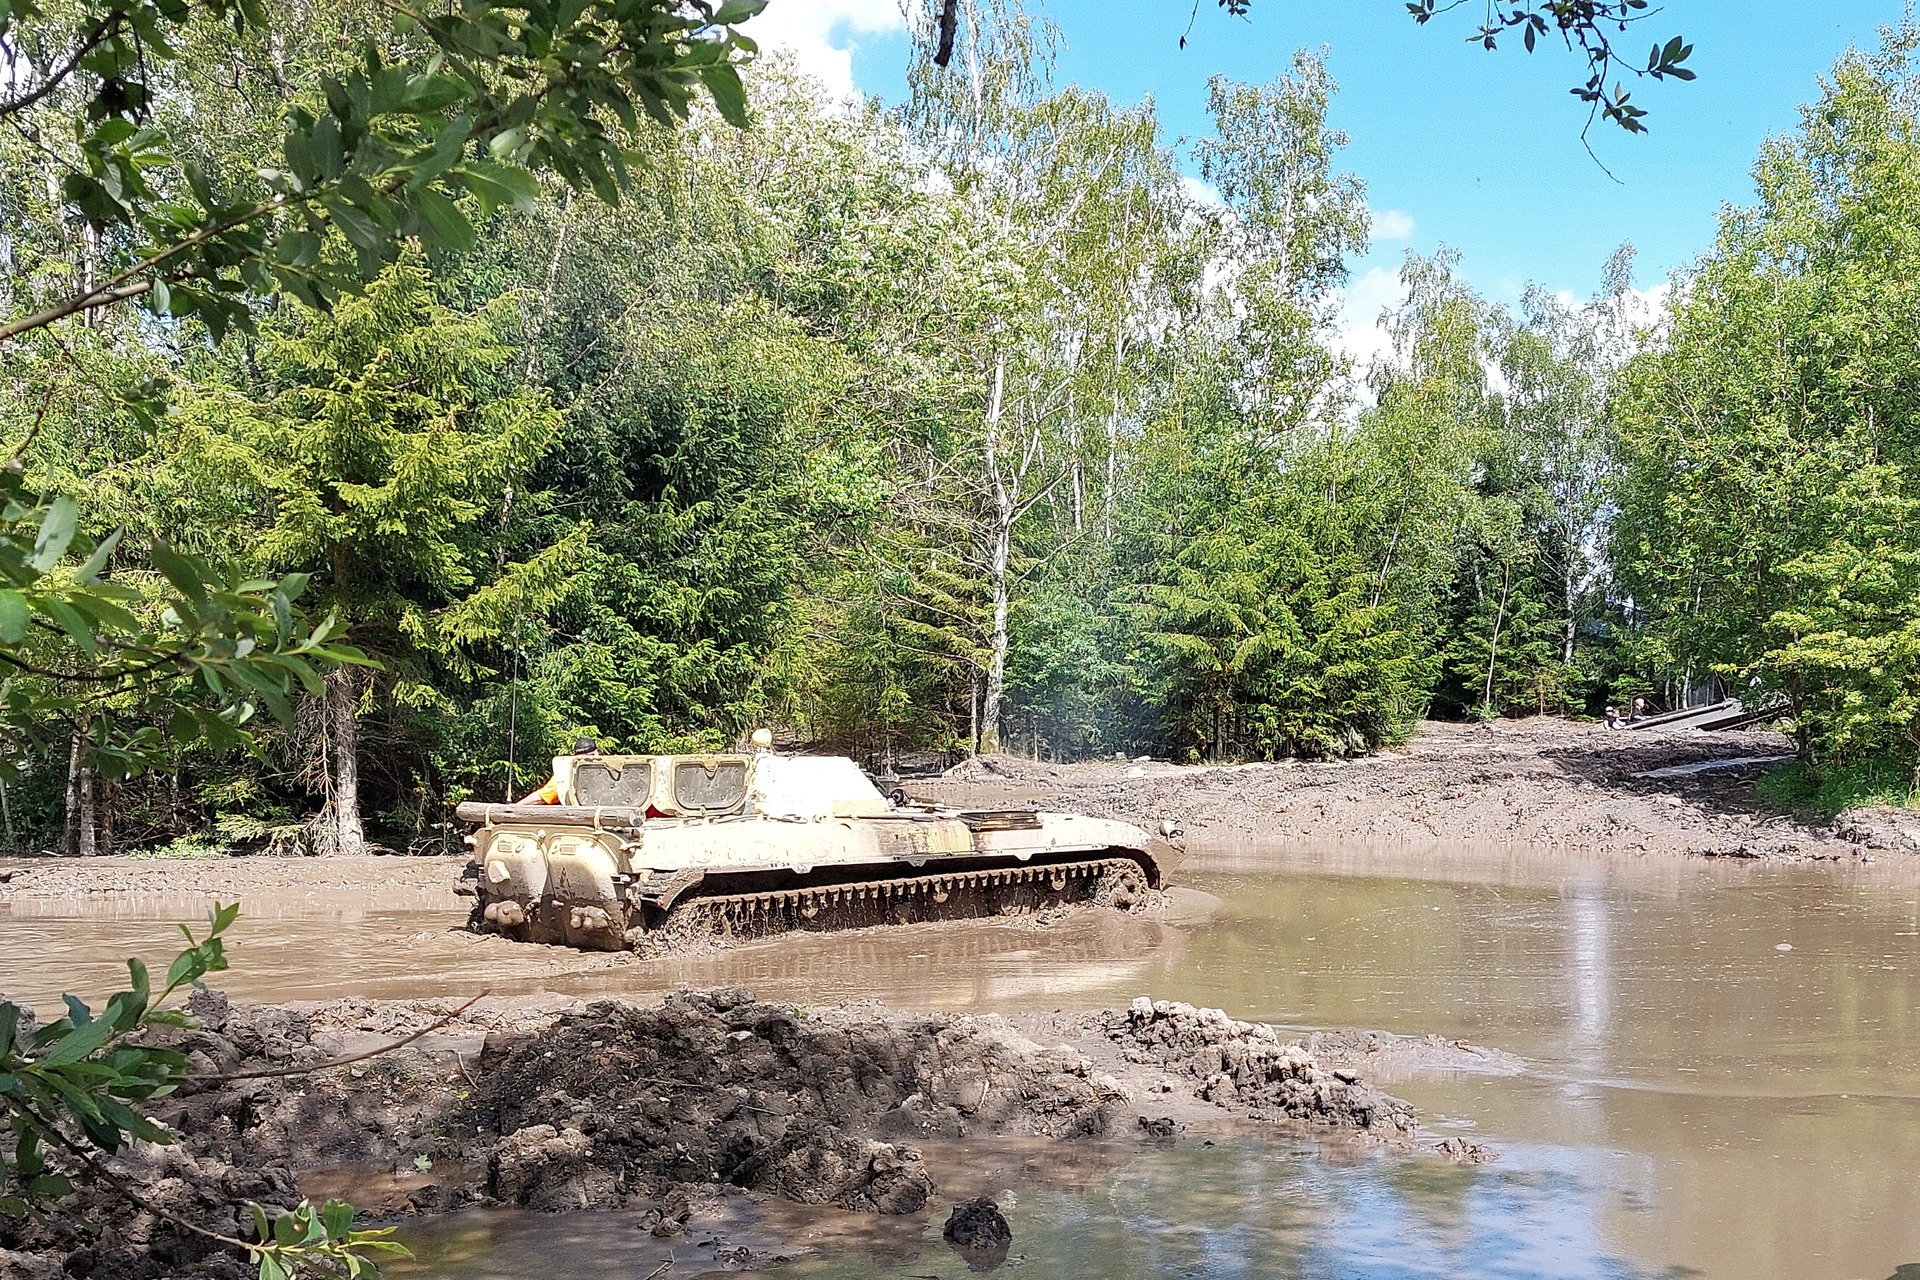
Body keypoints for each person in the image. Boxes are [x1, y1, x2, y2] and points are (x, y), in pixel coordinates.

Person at [520, 737, 599, 804]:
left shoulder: (568, 772)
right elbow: (542, 796)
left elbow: (540, 798)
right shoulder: (568, 773)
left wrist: (515, 807)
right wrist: (515, 807)